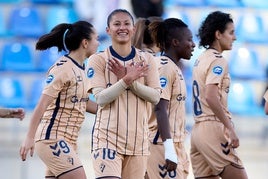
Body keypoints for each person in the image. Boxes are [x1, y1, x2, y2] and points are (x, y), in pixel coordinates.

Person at [86, 9, 161, 179]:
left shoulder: (147, 60)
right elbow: (100, 98)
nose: (122, 28)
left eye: (127, 23)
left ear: (133, 29)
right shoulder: (97, 60)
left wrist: (129, 81)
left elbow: (156, 97)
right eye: (117, 24)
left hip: (138, 143)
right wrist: (126, 80)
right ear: (108, 30)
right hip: (107, 140)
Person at [19, 21, 99, 179]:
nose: (98, 43)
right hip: (53, 138)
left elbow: (84, 102)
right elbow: (42, 105)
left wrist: (115, 111)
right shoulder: (63, 68)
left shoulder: (82, 69)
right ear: (85, 42)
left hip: (69, 141)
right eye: (96, 39)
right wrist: (29, 137)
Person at [190, 11, 248, 179]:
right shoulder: (218, 60)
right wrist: (229, 127)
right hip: (213, 128)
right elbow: (210, 96)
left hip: (197, 131)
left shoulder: (201, 58)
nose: (234, 38)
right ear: (218, 34)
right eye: (231, 32)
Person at [145, 18, 195, 179]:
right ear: (175, 42)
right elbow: (160, 108)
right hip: (161, 144)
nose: (193, 44)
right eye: (189, 39)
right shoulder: (165, 67)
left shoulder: (174, 67)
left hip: (176, 143)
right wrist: (169, 149)